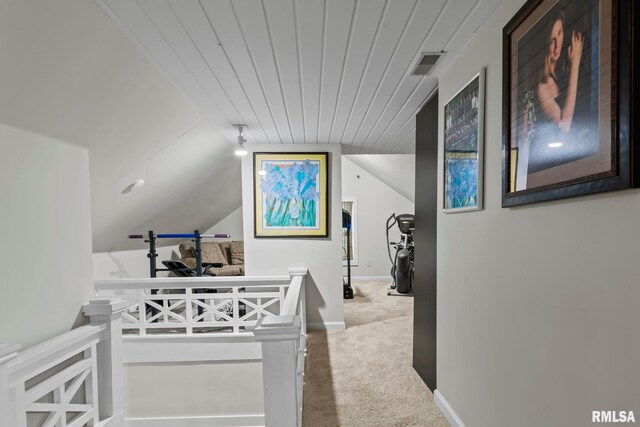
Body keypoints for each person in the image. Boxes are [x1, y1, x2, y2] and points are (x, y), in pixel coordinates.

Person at [526, 11, 584, 175]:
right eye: (552, 41)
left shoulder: (561, 73)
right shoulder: (542, 87)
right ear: (545, 45)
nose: (558, 44)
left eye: (560, 33)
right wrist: (576, 64)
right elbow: (564, 126)